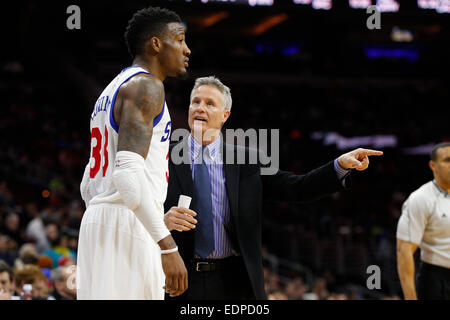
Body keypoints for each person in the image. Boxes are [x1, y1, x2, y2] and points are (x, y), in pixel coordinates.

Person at [163, 76, 383, 299]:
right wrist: (163, 221)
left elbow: (298, 188)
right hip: (179, 278)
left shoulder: (247, 161)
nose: (200, 108)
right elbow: (135, 209)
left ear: (225, 116)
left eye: (210, 104)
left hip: (236, 282)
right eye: (196, 102)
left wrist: (338, 165)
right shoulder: (163, 157)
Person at [77, 6, 191, 299]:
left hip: (100, 222)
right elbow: (127, 175)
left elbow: (89, 184)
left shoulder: (110, 90)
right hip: (123, 223)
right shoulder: (147, 87)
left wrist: (146, 217)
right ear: (155, 43)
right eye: (179, 40)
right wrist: (168, 246)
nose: (186, 49)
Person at [396, 142, 450, 300]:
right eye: (447, 160)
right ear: (433, 165)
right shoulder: (420, 198)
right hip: (436, 279)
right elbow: (404, 250)